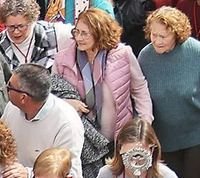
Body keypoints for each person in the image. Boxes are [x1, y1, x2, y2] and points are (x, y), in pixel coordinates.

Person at [136, 7, 200, 178]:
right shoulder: (145, 56)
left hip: (197, 132)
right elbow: (139, 94)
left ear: (177, 35)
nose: (157, 41)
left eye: (163, 36)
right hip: (164, 136)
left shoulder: (195, 51)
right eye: (154, 35)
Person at [55, 8, 153, 144]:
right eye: (76, 31)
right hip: (81, 139)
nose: (78, 38)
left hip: (119, 138)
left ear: (99, 33)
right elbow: (51, 98)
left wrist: (145, 123)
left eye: (85, 34)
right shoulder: (62, 60)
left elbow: (139, 89)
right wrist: (66, 103)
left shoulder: (123, 54)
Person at [1, 64, 84, 178]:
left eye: (9, 87)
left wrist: (30, 175)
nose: (5, 88)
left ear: (23, 98)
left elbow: (71, 177)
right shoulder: (12, 107)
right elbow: (1, 143)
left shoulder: (67, 123)